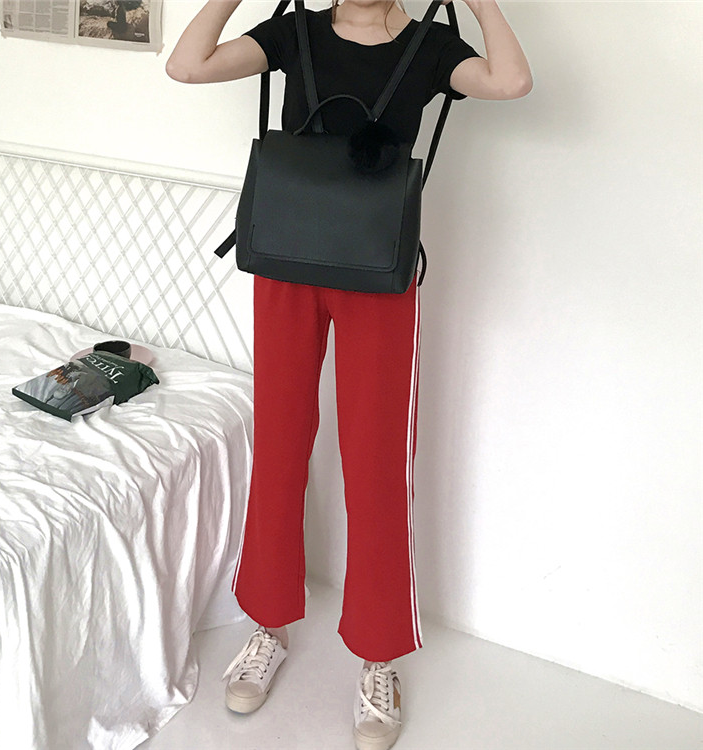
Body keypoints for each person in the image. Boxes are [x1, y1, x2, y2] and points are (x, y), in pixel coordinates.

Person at [166, 1, 531, 748]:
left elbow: (510, 80)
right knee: (280, 447)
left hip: (378, 273)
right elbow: (187, 66)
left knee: (376, 463)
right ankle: (268, 624)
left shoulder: (431, 46)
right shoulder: (294, 31)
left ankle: (377, 653)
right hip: (288, 263)